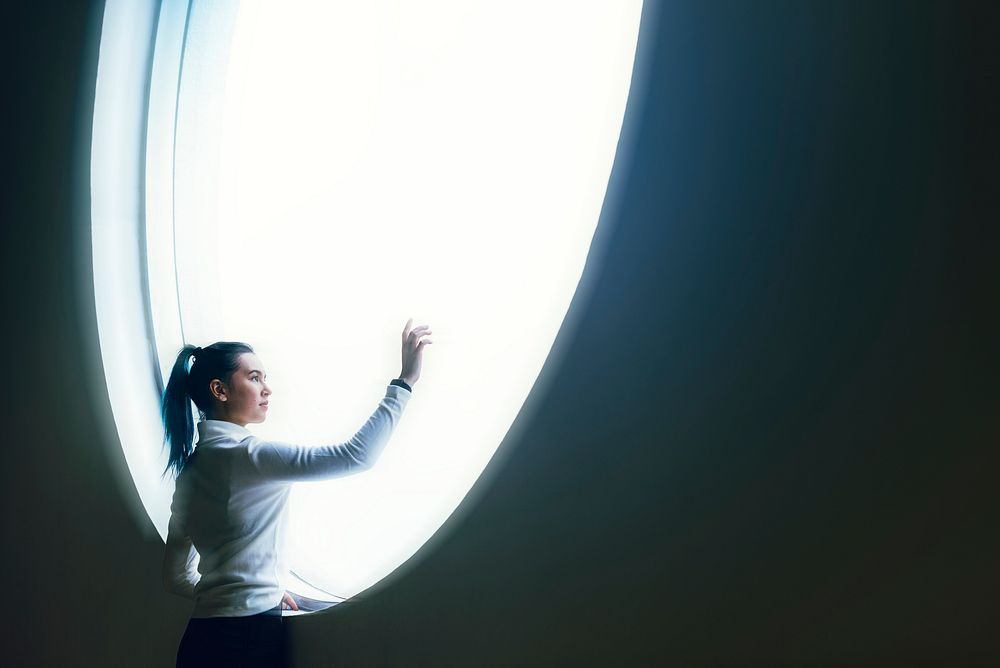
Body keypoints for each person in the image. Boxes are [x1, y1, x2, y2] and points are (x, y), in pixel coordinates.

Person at [161, 318, 432, 667]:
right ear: (220, 390)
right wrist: (404, 382)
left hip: (200, 640)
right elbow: (356, 456)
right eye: (254, 377)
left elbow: (175, 577)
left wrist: (237, 592)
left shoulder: (190, 472)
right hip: (247, 639)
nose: (267, 389)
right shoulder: (249, 456)